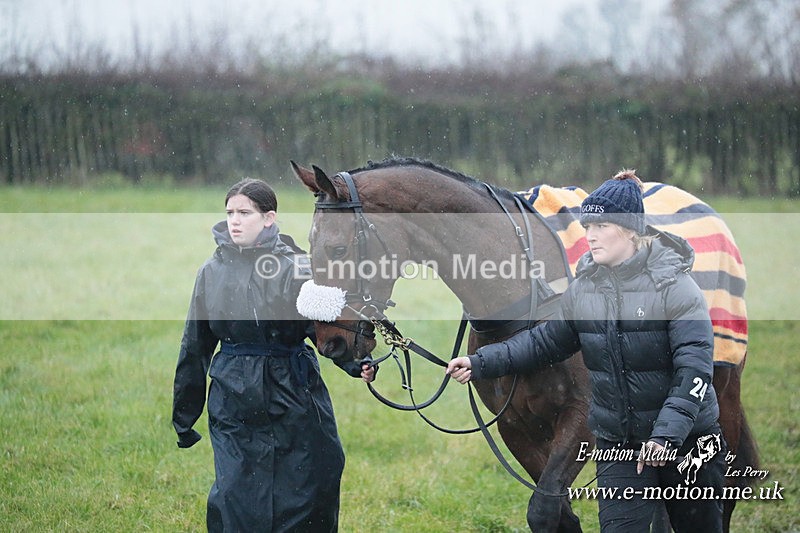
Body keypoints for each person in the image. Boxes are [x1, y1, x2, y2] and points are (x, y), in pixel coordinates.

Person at [446, 170, 726, 532]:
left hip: (687, 444)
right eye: (588, 225)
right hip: (620, 447)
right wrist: (480, 362)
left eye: (601, 226)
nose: (589, 234)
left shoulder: (678, 289)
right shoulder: (585, 289)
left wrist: (665, 436)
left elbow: (695, 372)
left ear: (630, 230)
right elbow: (544, 342)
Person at [172, 178, 368, 532]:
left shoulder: (298, 266)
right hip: (233, 397)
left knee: (310, 485)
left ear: (268, 218)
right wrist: (184, 417)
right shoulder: (211, 273)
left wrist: (356, 364)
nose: (235, 221)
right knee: (237, 494)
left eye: (245, 213)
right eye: (230, 212)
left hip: (294, 392)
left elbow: (323, 328)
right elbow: (195, 347)